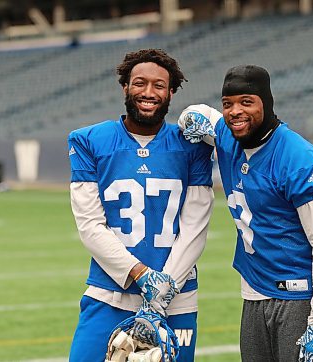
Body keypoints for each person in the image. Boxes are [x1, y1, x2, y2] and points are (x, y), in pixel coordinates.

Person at [178, 65, 313, 362]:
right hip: (254, 291)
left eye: (246, 102)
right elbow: (196, 113)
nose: (235, 111)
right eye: (227, 104)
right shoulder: (228, 138)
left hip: (299, 296)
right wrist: (189, 119)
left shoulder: (298, 158)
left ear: (265, 104)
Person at [67, 48, 214, 361]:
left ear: (171, 92)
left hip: (176, 297)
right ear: (125, 87)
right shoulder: (88, 140)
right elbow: (90, 225)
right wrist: (141, 274)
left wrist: (163, 289)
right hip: (110, 292)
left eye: (159, 85)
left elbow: (195, 226)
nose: (149, 92)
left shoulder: (192, 145)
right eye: (139, 83)